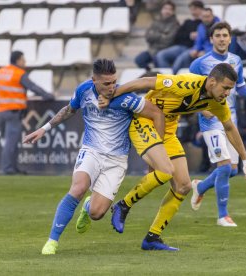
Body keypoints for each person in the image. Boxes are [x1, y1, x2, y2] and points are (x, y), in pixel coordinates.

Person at [102, 63, 246, 251]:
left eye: (230, 89)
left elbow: (230, 128)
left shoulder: (217, 103)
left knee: (184, 186)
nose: (227, 93)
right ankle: (123, 205)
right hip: (144, 120)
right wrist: (109, 96)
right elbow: (143, 82)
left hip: (167, 131)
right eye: (225, 88)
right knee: (166, 171)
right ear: (211, 81)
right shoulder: (185, 83)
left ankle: (152, 238)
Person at [22, 59, 165, 255]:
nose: (111, 87)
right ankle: (52, 241)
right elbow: (69, 110)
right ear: (94, 80)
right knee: (78, 187)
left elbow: (156, 113)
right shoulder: (84, 90)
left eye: (114, 81)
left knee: (97, 213)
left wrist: (156, 153)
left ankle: (88, 206)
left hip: (116, 160)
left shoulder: (126, 97)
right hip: (91, 150)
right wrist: (44, 128)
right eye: (106, 83)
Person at [188, 22, 246, 226]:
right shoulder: (199, 64)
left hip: (230, 118)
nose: (221, 38)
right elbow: (189, 92)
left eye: (225, 35)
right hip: (210, 121)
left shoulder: (236, 60)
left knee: (233, 170)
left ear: (230, 38)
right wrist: (202, 109)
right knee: (225, 166)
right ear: (211, 39)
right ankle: (223, 215)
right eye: (217, 35)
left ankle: (200, 187)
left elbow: (241, 88)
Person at [0, 50, 54, 175]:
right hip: (13, 111)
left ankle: (13, 167)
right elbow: (33, 87)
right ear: (17, 60)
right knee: (11, 143)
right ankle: (8, 169)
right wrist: (47, 96)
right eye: (23, 59)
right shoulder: (19, 73)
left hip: (1, 110)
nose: (25, 62)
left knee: (10, 141)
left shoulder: (1, 72)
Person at [155, 1, 204, 72]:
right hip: (181, 46)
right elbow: (178, 36)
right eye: (191, 9)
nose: (193, 11)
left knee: (179, 60)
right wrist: (189, 35)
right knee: (160, 55)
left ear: (201, 9)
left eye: (195, 8)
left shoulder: (204, 23)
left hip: (193, 48)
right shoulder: (187, 22)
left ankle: (170, 79)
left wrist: (199, 36)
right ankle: (166, 77)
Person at [171, 7, 220, 74]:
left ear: (212, 16)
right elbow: (198, 42)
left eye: (208, 16)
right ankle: (173, 76)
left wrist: (206, 52)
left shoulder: (219, 27)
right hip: (202, 51)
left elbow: (220, 46)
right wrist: (196, 49)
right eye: (204, 17)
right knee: (183, 57)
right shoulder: (201, 26)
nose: (206, 19)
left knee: (201, 59)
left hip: (214, 52)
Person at [134, 1, 179, 70]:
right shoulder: (155, 21)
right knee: (139, 60)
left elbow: (168, 41)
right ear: (161, 10)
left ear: (173, 11)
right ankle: (150, 73)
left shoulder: (175, 24)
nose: (167, 11)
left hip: (164, 51)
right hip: (152, 50)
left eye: (170, 9)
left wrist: (155, 35)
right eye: (165, 8)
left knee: (158, 59)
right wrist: (161, 34)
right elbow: (148, 37)